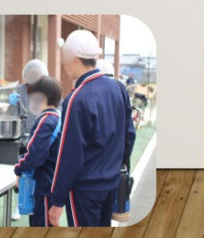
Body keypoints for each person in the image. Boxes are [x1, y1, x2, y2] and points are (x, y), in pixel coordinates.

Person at [46, 30, 136, 227]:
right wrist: (121, 169)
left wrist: (57, 200)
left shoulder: (77, 99)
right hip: (110, 183)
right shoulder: (118, 88)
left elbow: (69, 155)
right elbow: (129, 134)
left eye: (65, 59)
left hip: (85, 190)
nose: (63, 64)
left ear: (74, 59)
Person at [11, 77, 63, 227]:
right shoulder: (58, 117)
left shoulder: (44, 121)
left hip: (45, 184)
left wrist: (18, 168)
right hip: (53, 181)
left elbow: (35, 155)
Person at [9, 59, 50, 146]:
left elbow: (58, 111)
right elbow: (12, 117)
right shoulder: (19, 91)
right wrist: (11, 105)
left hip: (43, 139)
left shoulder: (49, 91)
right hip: (23, 140)